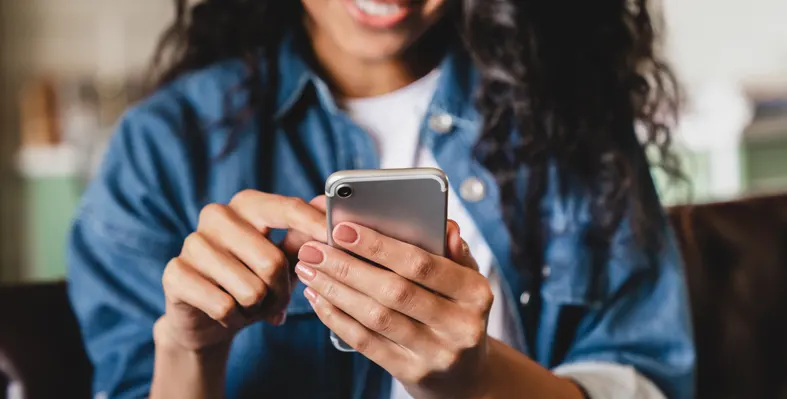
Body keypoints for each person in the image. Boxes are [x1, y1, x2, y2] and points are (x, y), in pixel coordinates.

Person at [67, 0, 695, 398]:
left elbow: (645, 378)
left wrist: (473, 384)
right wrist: (189, 349)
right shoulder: (165, 147)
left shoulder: (570, 116)